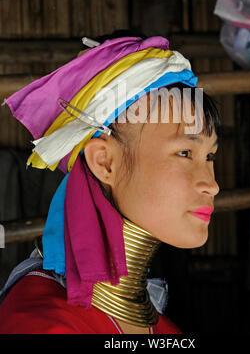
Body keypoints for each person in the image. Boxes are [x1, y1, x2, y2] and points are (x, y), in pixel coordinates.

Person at [0, 32, 220, 334]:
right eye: (185, 152)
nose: (212, 185)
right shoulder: (40, 323)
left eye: (209, 156)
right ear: (104, 161)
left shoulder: (162, 328)